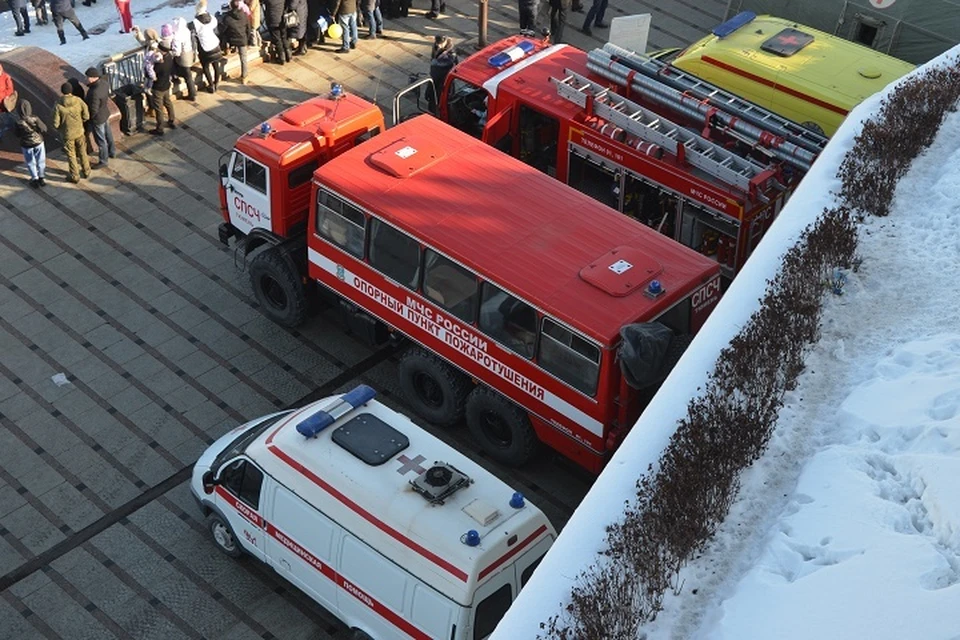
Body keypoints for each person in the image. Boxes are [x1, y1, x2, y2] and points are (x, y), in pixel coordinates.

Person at [52, 81, 90, 183]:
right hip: (79, 131)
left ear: (62, 92)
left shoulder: (58, 105)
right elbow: (86, 116)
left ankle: (75, 176)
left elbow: (55, 123)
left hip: (67, 134)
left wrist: (60, 129)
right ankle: (86, 171)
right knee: (82, 151)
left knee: (71, 155)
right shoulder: (78, 101)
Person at [84, 67, 116, 168]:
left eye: (88, 77)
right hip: (105, 113)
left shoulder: (94, 92)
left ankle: (103, 160)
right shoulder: (104, 84)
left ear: (94, 78)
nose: (87, 79)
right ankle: (112, 152)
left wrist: (90, 119)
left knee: (100, 140)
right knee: (109, 135)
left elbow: (93, 109)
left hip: (98, 119)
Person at [12, 100, 48, 187]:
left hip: (26, 145)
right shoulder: (35, 118)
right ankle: (41, 177)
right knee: (41, 160)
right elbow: (44, 128)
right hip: (38, 142)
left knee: (30, 162)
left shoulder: (18, 122)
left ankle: (34, 178)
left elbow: (17, 134)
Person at [193, 1, 225, 90]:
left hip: (205, 47)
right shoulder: (212, 18)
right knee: (216, 65)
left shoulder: (195, 22)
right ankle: (216, 82)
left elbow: (193, 33)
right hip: (215, 44)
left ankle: (211, 85)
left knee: (206, 66)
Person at [219, 0, 253, 83]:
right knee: (243, 58)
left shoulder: (227, 18)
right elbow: (248, 28)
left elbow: (222, 30)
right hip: (242, 39)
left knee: (224, 36)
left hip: (232, 40)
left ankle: (226, 49)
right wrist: (247, 38)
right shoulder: (244, 15)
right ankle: (244, 77)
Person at [149, 43, 176, 134]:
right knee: (168, 102)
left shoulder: (160, 63)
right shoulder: (169, 57)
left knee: (159, 108)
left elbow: (152, 74)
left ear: (161, 50)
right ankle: (171, 120)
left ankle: (160, 128)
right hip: (166, 85)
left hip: (158, 88)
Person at [171, 17, 198, 100]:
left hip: (183, 57)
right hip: (189, 53)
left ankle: (192, 94)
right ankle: (193, 93)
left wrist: (173, 54)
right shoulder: (186, 31)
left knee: (188, 77)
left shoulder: (177, 36)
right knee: (188, 75)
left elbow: (177, 52)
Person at [428, 35, 456, 111]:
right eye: (437, 44)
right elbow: (433, 57)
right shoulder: (436, 46)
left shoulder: (451, 51)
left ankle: (444, 108)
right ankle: (433, 107)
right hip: (435, 73)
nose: (439, 46)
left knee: (445, 92)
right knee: (433, 91)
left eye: (440, 44)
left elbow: (452, 62)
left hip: (445, 74)